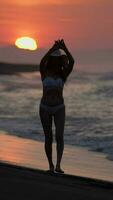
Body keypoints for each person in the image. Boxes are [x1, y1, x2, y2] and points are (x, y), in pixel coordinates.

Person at [39, 39, 74, 173]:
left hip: (59, 107)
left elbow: (72, 62)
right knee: (48, 137)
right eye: (53, 59)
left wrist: (64, 48)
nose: (54, 61)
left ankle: (58, 165)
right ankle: (51, 166)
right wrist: (52, 49)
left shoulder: (63, 74)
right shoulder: (44, 72)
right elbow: (42, 62)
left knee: (59, 136)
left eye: (56, 59)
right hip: (45, 108)